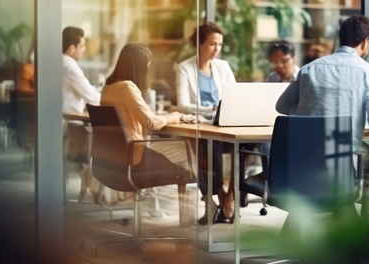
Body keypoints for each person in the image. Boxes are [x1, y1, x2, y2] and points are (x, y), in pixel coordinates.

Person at [276, 15, 369, 223]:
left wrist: (308, 116)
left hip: (303, 153)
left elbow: (282, 106)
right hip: (343, 151)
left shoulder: (309, 68)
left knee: (324, 163)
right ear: (366, 42)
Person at [101, 43, 194, 208]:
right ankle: (192, 209)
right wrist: (176, 116)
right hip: (134, 157)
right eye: (147, 65)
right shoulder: (127, 87)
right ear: (140, 67)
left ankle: (181, 207)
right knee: (188, 150)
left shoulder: (108, 87)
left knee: (181, 149)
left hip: (113, 159)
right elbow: (151, 122)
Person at [176, 22, 238, 224]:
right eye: (212, 44)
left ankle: (228, 197)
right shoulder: (185, 68)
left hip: (225, 121)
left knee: (248, 146)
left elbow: (235, 95)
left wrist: (222, 110)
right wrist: (210, 109)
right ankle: (219, 195)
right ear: (199, 44)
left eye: (219, 44)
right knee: (207, 145)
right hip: (204, 124)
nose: (217, 49)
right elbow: (183, 105)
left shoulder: (223, 67)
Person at [62, 27, 101, 113]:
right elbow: (93, 97)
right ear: (72, 48)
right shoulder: (70, 68)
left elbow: (88, 89)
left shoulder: (57, 64)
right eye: (82, 46)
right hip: (70, 122)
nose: (84, 49)